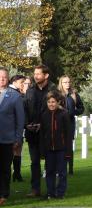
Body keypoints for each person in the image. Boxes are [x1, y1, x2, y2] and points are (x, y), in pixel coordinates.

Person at [24, 64, 57, 197]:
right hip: (32, 133)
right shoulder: (30, 90)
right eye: (35, 73)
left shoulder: (53, 90)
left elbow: (56, 111)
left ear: (46, 75)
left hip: (48, 133)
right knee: (34, 162)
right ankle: (35, 189)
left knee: (50, 162)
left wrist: (42, 125)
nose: (35, 76)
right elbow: (25, 108)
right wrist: (27, 124)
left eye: (38, 74)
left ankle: (50, 190)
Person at [40, 91, 73, 199]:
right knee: (49, 171)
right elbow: (42, 134)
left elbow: (68, 134)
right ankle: (50, 192)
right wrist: (43, 150)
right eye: (49, 102)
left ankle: (60, 193)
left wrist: (68, 151)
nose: (51, 104)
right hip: (49, 149)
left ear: (58, 102)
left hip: (61, 148)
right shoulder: (44, 115)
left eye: (53, 102)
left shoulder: (64, 114)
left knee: (62, 172)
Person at [0, 67, 25, 205]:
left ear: (8, 78)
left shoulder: (14, 96)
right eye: (0, 77)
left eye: (4, 77)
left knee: (4, 167)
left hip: (7, 138)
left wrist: (17, 138)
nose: (2, 79)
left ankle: (4, 194)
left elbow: (20, 119)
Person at [58, 75, 85, 175]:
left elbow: (81, 108)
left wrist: (73, 112)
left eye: (69, 82)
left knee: (69, 147)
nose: (67, 84)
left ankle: (70, 169)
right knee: (59, 146)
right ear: (61, 83)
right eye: (65, 82)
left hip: (70, 124)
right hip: (59, 124)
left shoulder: (74, 94)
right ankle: (60, 168)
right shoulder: (57, 95)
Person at [9, 74, 26, 182]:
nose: (23, 85)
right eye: (21, 82)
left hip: (17, 127)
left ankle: (17, 173)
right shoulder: (13, 93)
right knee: (12, 150)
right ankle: (14, 173)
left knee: (18, 150)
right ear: (14, 82)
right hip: (12, 128)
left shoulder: (17, 93)